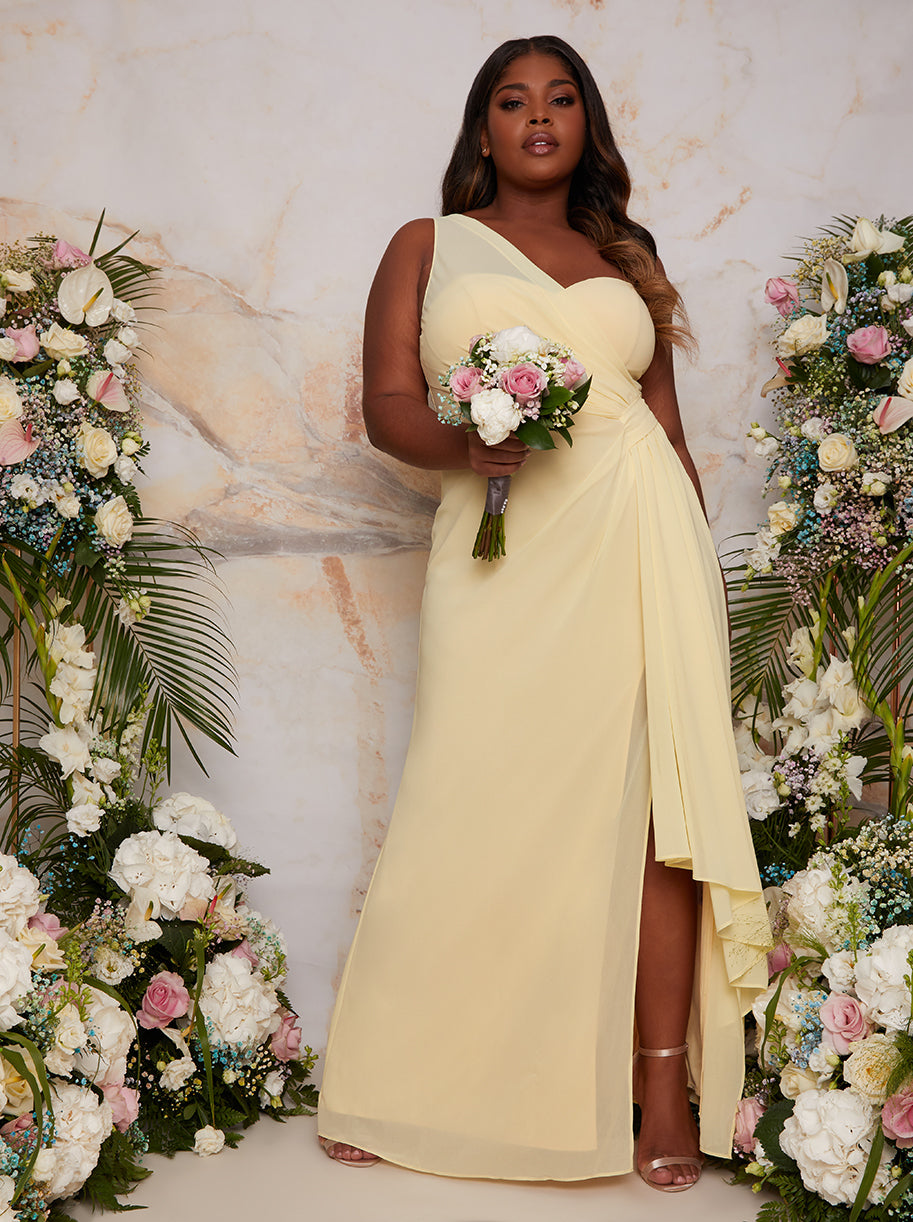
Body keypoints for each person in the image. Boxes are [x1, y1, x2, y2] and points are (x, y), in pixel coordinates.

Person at [317, 34, 771, 1193]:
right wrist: (468, 442)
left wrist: (703, 588)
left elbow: (663, 428)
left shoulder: (627, 254)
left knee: (655, 812)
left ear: (586, 126)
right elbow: (385, 405)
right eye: (513, 100)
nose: (536, 116)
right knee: (464, 793)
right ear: (482, 128)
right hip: (502, 545)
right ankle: (400, 1076)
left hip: (639, 539)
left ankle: (658, 1091)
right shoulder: (428, 244)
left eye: (560, 98)